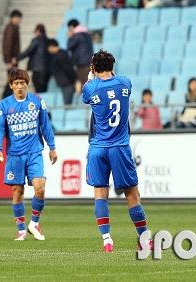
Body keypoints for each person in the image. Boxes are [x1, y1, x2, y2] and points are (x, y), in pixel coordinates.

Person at [82, 49, 152, 252]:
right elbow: (115, 80)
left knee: (100, 194)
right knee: (133, 195)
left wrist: (91, 74)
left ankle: (107, 241)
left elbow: (86, 91)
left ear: (94, 68)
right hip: (119, 147)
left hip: (98, 148)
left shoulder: (91, 87)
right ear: (112, 67)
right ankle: (145, 241)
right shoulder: (124, 83)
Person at [0, 69, 58, 241]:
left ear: (27, 84)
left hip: (34, 152)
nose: (20, 86)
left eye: (22, 83)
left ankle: (34, 223)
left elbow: (46, 125)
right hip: (15, 155)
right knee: (17, 191)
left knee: (40, 188)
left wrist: (52, 146)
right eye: (16, 83)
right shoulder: (5, 105)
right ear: (11, 86)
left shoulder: (37, 101)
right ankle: (21, 230)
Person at [16, 24, 51, 93]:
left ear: (38, 31)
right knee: (44, 90)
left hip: (37, 69)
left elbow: (28, 51)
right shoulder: (48, 41)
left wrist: (17, 58)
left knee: (38, 88)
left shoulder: (37, 40)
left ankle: (39, 103)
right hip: (47, 69)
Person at [47, 38, 77, 105]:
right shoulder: (59, 54)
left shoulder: (61, 55)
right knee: (66, 103)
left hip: (67, 82)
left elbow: (68, 68)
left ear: (51, 46)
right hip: (65, 82)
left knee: (67, 104)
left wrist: (73, 79)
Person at [67, 19, 94, 90]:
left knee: (84, 81)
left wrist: (70, 37)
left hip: (81, 62)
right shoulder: (86, 34)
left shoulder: (77, 35)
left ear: (72, 27)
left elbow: (70, 46)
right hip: (88, 60)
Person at [2, 10, 22, 99]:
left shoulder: (13, 28)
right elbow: (8, 45)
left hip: (13, 59)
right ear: (12, 18)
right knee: (12, 81)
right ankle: (5, 99)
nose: (19, 20)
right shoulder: (11, 28)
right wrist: (9, 60)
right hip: (11, 60)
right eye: (17, 18)